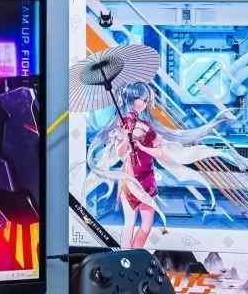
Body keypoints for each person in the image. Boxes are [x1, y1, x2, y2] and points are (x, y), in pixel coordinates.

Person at [85, 81, 229, 248]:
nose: (145, 103)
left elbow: (158, 150)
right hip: (130, 179)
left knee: (146, 226)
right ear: (131, 99)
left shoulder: (146, 124)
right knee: (129, 224)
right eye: (142, 99)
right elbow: (120, 153)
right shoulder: (122, 124)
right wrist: (124, 138)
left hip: (147, 178)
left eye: (146, 100)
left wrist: (145, 146)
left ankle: (135, 254)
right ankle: (126, 257)